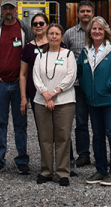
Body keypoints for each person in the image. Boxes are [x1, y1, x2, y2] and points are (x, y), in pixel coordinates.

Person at [0, 0, 32, 175]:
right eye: (5, 8)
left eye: (11, 8)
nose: (8, 11)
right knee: (0, 123)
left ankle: (22, 160)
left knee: (21, 123)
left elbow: (33, 53)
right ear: (1, 10)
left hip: (19, 85)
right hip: (0, 84)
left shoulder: (25, 29)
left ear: (16, 10)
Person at [77, 15, 111, 186]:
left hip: (110, 101)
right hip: (92, 101)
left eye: (100, 29)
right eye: (94, 29)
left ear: (105, 31)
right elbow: (79, 72)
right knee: (97, 136)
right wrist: (85, 87)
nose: (97, 31)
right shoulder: (85, 52)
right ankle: (100, 170)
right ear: (89, 32)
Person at [31, 23, 77, 186]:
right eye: (51, 33)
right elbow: (36, 76)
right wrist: (45, 94)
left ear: (62, 37)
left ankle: (63, 172)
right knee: (45, 137)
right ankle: (46, 171)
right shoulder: (40, 56)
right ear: (47, 36)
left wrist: (55, 92)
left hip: (64, 101)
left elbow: (71, 76)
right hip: (41, 101)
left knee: (63, 137)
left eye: (57, 34)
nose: (54, 36)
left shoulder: (68, 55)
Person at [61, 0, 96, 170]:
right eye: (82, 11)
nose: (86, 14)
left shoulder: (98, 31)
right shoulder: (69, 34)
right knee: (81, 121)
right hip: (76, 85)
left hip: (96, 85)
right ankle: (83, 155)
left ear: (92, 13)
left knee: (98, 122)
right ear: (78, 13)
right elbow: (63, 55)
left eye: (88, 11)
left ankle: (100, 153)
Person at [18, 12, 51, 172]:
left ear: (47, 25)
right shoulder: (28, 48)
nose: (38, 26)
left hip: (54, 94)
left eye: (41, 23)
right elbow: (23, 74)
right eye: (35, 24)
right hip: (36, 94)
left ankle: (66, 163)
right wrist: (23, 97)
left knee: (60, 129)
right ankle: (46, 165)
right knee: (42, 130)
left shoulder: (57, 44)